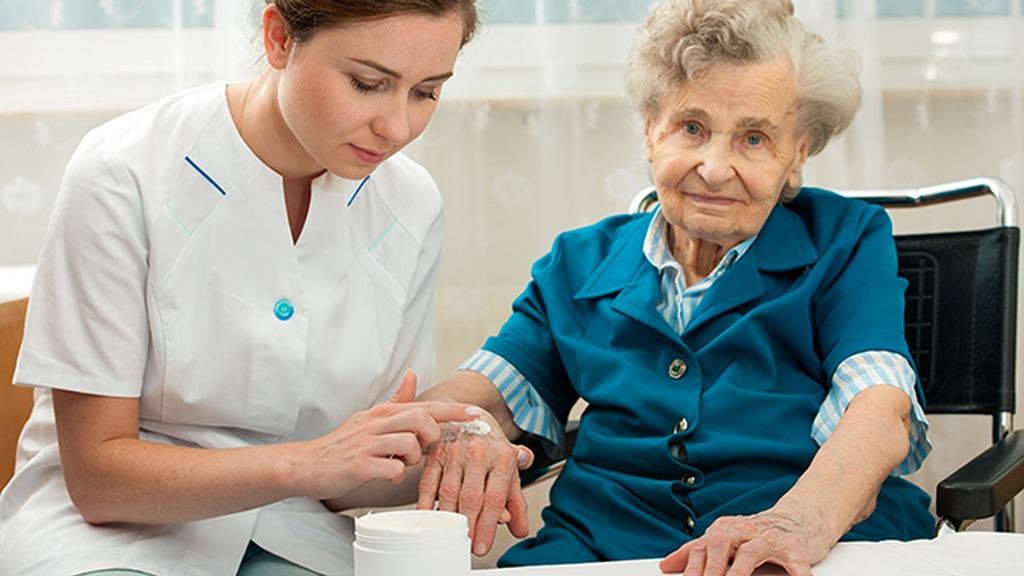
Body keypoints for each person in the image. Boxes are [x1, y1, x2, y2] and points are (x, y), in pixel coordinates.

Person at [414, 0, 935, 574]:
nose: (714, 168)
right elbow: (486, 389)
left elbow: (879, 409)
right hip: (603, 549)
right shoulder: (580, 260)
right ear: (649, 132)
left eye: (754, 139)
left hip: (804, 540)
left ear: (799, 153)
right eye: (692, 128)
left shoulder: (847, 239)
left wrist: (794, 524)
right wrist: (461, 424)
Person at [0, 1, 483, 575]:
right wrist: (308, 464)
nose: (397, 127)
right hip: (110, 538)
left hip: (295, 535)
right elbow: (99, 481)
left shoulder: (411, 204)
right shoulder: (122, 172)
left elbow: (350, 477)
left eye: (426, 92)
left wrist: (457, 452)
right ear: (279, 38)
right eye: (367, 83)